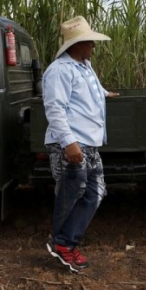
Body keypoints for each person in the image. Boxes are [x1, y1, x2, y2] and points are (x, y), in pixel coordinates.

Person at [43, 15, 119, 272]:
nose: (93, 47)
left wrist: (106, 93)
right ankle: (64, 244)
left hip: (89, 143)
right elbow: (54, 109)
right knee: (72, 194)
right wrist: (69, 143)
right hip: (72, 144)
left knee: (95, 192)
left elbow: (92, 89)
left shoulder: (84, 67)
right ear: (75, 44)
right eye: (89, 42)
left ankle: (65, 242)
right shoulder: (59, 70)